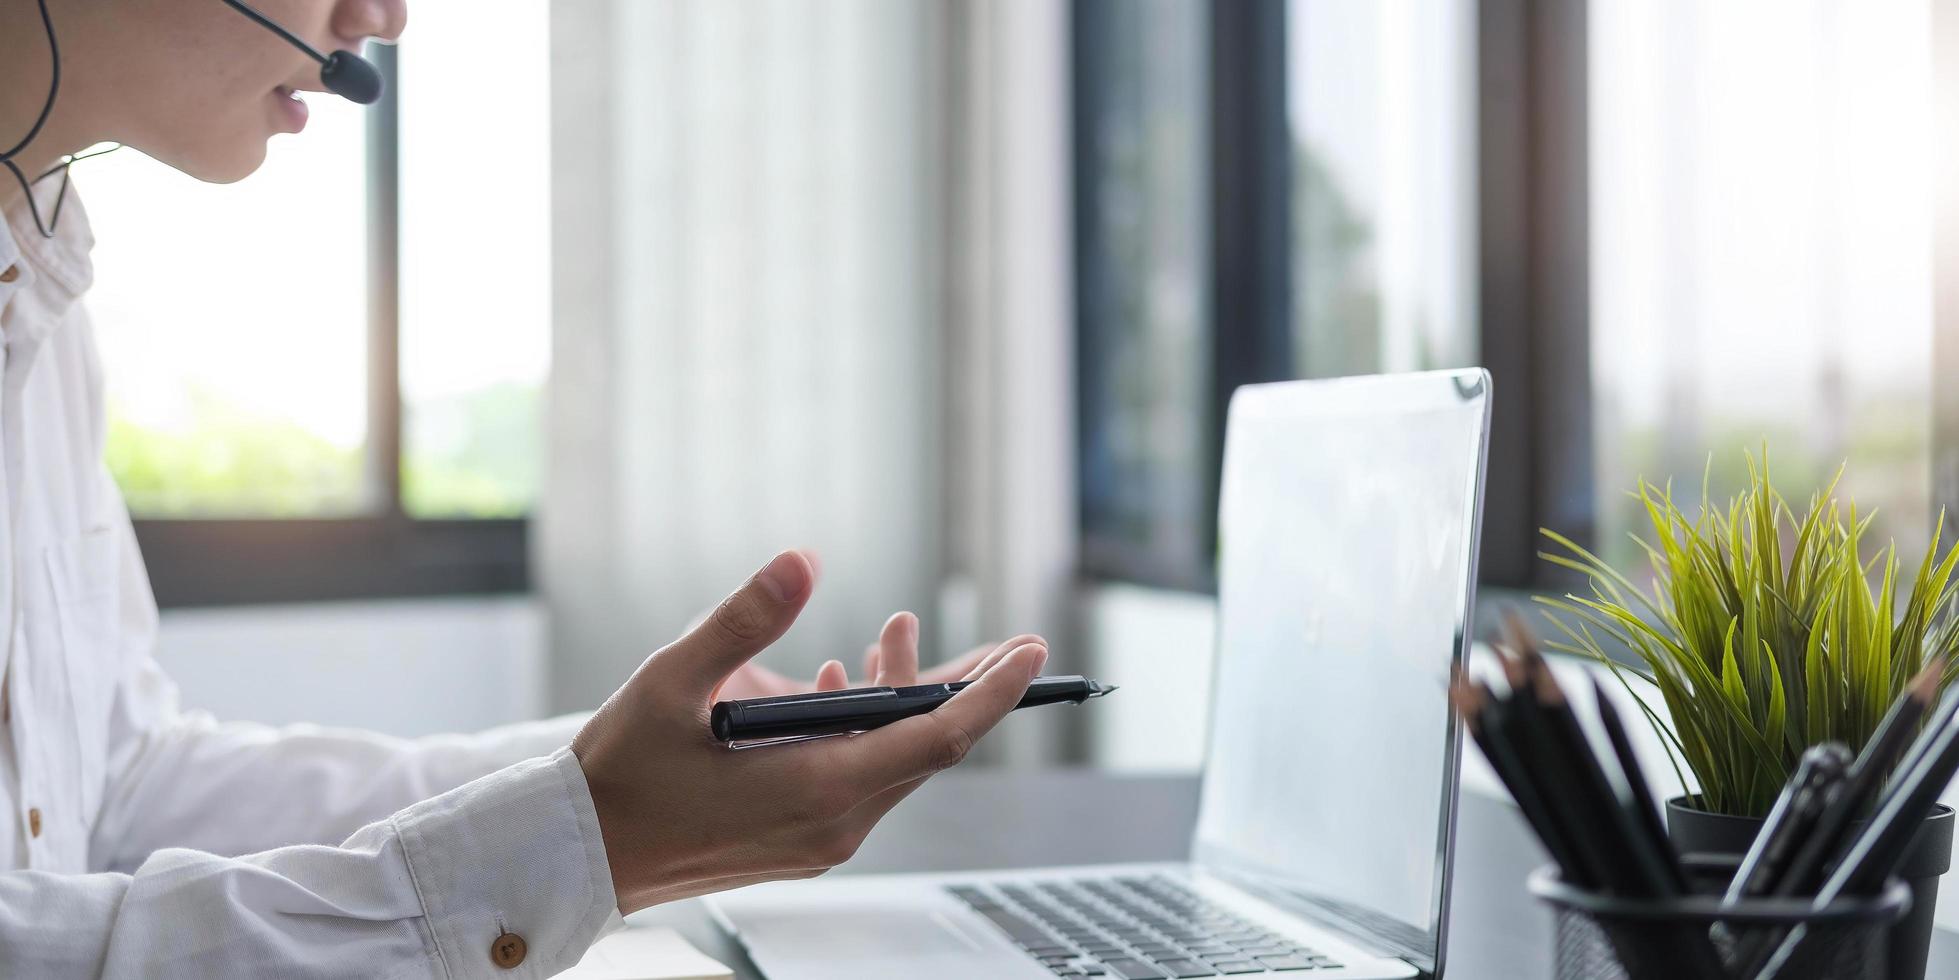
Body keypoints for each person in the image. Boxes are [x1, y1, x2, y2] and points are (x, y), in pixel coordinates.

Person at [0, 0, 1047, 975]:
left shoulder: (39, 292)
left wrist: (611, 768)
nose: (382, 17)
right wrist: (588, 838)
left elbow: (121, 789)